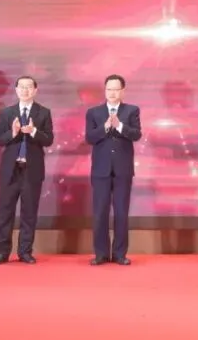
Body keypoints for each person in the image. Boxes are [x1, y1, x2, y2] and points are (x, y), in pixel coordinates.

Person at [0, 75, 54, 264]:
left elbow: (49, 140)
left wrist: (33, 131)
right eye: (21, 87)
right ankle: (2, 252)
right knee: (5, 212)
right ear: (16, 90)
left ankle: (25, 251)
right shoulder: (7, 113)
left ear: (35, 90)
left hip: (32, 169)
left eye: (29, 87)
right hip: (10, 170)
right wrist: (13, 132)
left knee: (29, 212)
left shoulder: (43, 112)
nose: (25, 90)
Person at [85, 74, 142, 265]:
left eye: (116, 89)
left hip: (123, 170)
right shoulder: (94, 112)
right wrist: (105, 127)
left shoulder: (132, 110)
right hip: (100, 170)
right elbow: (90, 137)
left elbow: (136, 134)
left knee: (121, 213)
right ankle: (100, 254)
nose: (112, 93)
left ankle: (119, 254)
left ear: (123, 91)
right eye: (109, 89)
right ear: (105, 90)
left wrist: (119, 126)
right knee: (100, 212)